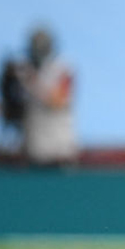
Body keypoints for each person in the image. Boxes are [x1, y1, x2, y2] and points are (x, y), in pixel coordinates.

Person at [20, 26, 79, 166]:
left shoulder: (63, 69)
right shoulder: (26, 70)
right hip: (34, 150)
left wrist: (33, 83)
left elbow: (59, 100)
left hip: (59, 150)